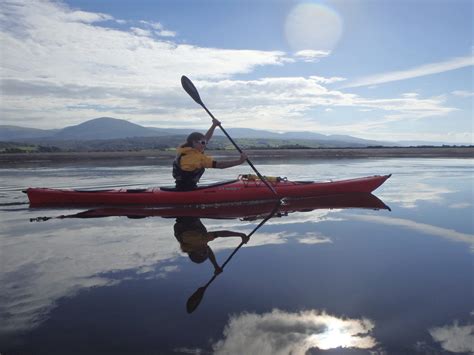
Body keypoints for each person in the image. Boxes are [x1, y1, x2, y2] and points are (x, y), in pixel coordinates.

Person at [173, 118, 247, 190]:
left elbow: (206, 138)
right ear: (194, 142)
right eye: (203, 143)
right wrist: (239, 161)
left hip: (180, 186)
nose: (205, 145)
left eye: (205, 143)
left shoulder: (185, 150)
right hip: (188, 189)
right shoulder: (195, 158)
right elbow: (219, 165)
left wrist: (214, 125)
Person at [174, 216, 249, 275]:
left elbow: (220, 233)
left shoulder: (197, 241)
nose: (206, 251)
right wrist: (215, 265)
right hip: (183, 218)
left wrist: (240, 235)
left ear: (196, 251)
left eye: (203, 253)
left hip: (189, 216)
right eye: (205, 252)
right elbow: (208, 251)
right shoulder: (189, 246)